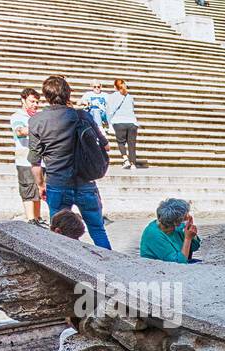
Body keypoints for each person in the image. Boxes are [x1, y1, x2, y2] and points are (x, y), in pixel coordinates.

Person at [28, 75, 111, 249]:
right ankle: (110, 268)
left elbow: (35, 162)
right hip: (85, 181)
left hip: (57, 182)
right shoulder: (83, 116)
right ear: (67, 94)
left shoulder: (36, 121)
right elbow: (106, 146)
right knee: (97, 229)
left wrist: (41, 185)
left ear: (46, 96)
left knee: (59, 233)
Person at [11, 87, 45, 224]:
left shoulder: (39, 117)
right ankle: (31, 219)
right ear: (23, 100)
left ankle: (38, 218)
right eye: (32, 101)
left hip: (40, 160)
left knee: (39, 190)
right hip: (24, 159)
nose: (35, 105)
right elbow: (20, 131)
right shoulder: (17, 116)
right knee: (28, 189)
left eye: (37, 102)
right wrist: (42, 127)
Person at [139, 198, 201, 263]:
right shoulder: (154, 234)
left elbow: (195, 247)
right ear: (176, 221)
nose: (188, 216)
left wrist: (190, 230)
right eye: (185, 214)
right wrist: (187, 239)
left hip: (183, 260)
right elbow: (180, 262)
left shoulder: (176, 226)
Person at [106, 79, 141, 169]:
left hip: (119, 122)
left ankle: (125, 160)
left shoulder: (112, 96)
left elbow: (110, 111)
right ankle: (133, 164)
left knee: (121, 142)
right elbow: (132, 108)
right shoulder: (130, 96)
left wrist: (109, 122)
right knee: (131, 144)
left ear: (115, 87)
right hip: (132, 122)